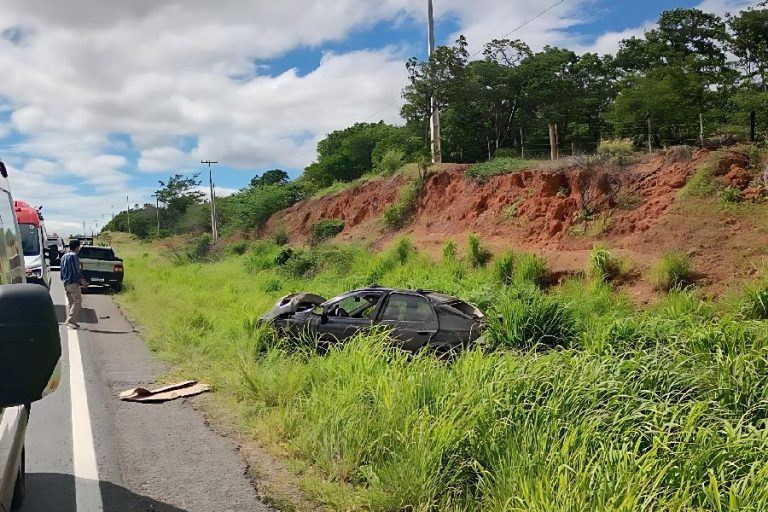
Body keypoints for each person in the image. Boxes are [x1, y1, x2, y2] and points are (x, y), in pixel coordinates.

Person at [60, 239, 88, 329]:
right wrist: (82, 281)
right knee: (77, 301)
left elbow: (61, 271)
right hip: (72, 282)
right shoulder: (73, 256)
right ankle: (70, 320)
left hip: (66, 283)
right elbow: (76, 271)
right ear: (76, 247)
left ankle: (72, 320)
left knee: (71, 302)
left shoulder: (64, 256)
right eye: (79, 247)